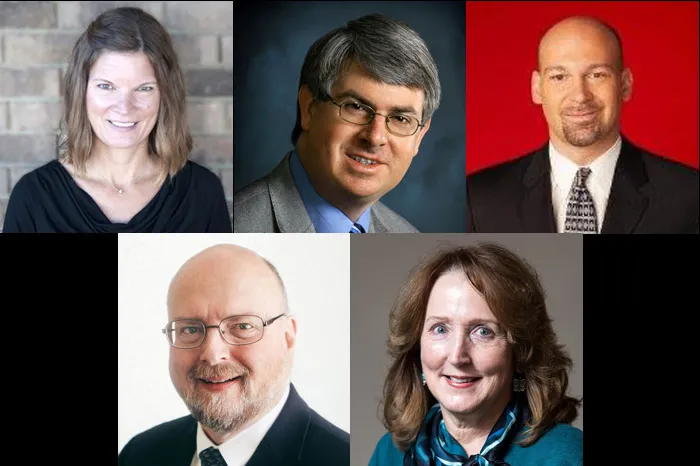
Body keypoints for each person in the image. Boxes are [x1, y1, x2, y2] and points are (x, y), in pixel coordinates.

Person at [2, 7, 232, 233]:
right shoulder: (33, 197)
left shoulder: (203, 192)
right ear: (81, 91)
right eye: (106, 86)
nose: (124, 108)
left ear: (165, 95)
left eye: (144, 88)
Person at [118, 244, 350, 466]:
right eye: (190, 329)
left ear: (288, 337)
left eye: (242, 327)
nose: (212, 354)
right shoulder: (138, 454)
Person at [466, 16, 698, 234]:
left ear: (625, 85)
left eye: (597, 75)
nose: (580, 96)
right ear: (537, 89)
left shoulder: (689, 195)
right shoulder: (479, 197)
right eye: (559, 77)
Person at [369, 243, 583, 465]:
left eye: (483, 331)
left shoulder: (566, 455)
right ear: (417, 346)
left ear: (520, 351)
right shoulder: (390, 453)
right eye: (440, 329)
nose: (457, 356)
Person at [233, 14, 440, 233]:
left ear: (420, 136)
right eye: (357, 107)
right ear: (309, 108)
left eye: (400, 119)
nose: (375, 137)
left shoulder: (407, 237)